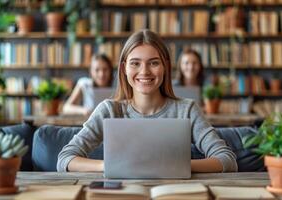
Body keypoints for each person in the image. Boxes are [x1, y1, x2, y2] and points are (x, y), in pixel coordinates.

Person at [57, 30, 237, 173]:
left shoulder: (187, 110)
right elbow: (65, 158)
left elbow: (226, 159)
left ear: (165, 67)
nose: (144, 72)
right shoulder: (109, 110)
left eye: (153, 63)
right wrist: (109, 166)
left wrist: (176, 166)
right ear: (124, 68)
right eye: (135, 63)